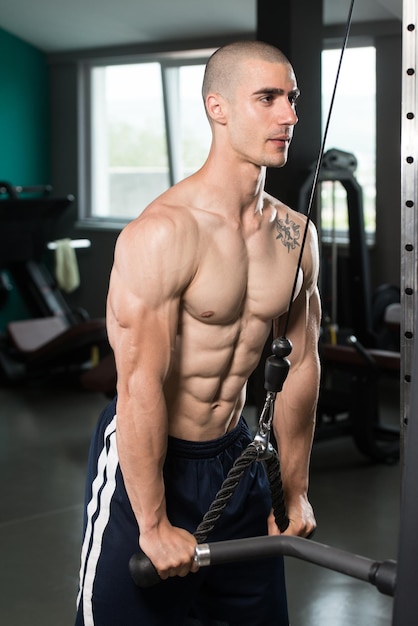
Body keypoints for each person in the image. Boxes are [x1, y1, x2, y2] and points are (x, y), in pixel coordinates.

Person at [75, 40, 321, 626]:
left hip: (235, 457)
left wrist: (294, 488)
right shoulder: (162, 233)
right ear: (218, 107)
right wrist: (154, 524)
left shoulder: (295, 235)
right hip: (151, 461)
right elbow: (138, 385)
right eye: (268, 98)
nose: (289, 115)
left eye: (292, 99)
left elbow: (302, 366)